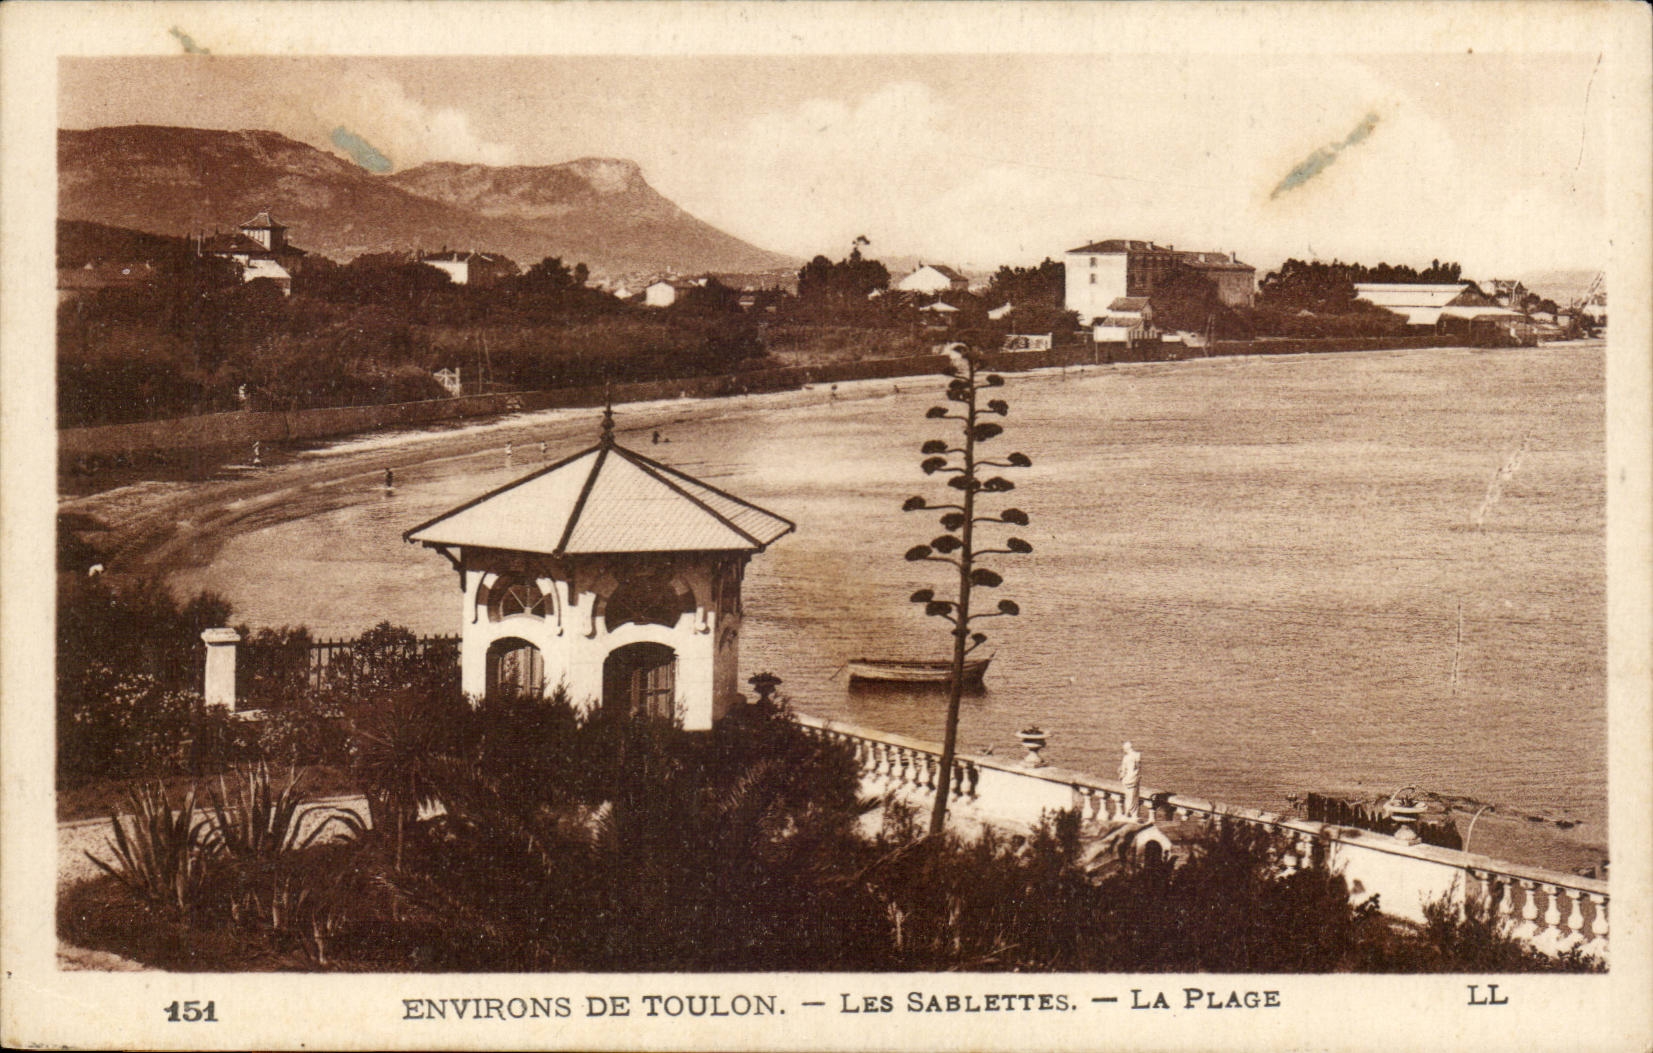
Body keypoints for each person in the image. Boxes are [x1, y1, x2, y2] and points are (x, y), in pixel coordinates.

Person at [1119, 741, 1142, 821]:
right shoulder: (1138, 755)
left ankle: (1128, 813)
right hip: (1135, 779)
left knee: (1128, 798)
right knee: (1134, 798)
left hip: (1128, 780)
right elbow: (1138, 768)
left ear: (1126, 749)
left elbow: (1123, 771)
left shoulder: (1126, 758)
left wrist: (1121, 776)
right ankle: (1133, 814)